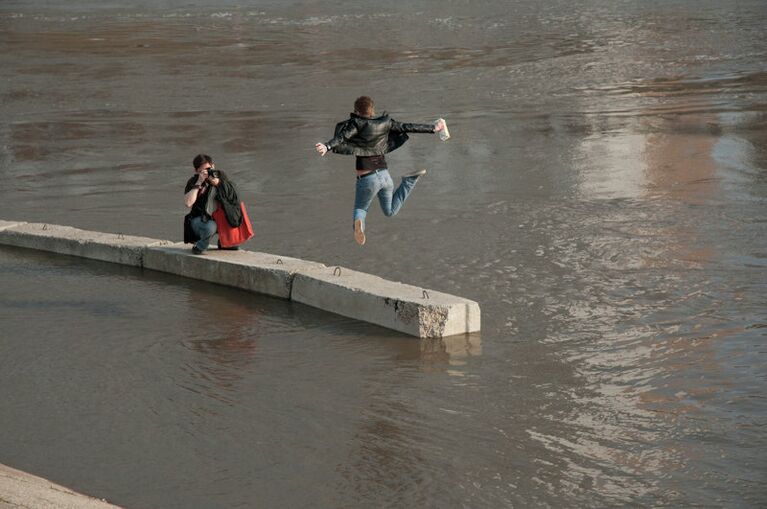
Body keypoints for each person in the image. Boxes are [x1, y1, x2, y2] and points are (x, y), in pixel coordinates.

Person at [315, 96, 447, 245]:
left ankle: (360, 227)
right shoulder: (385, 123)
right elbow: (407, 126)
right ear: (372, 111)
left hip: (367, 179)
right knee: (390, 211)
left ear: (357, 111)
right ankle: (409, 181)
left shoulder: (356, 124)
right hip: (385, 177)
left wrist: (327, 146)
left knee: (361, 209)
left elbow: (342, 136)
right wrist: (434, 128)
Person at [183, 154, 246, 254]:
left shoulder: (220, 176)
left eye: (208, 169)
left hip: (218, 217)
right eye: (201, 171)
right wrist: (199, 182)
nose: (206, 173)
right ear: (196, 171)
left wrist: (218, 183)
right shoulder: (193, 181)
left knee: (234, 214)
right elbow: (188, 203)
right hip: (199, 220)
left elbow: (233, 194)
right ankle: (200, 246)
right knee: (210, 226)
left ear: (213, 166)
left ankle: (225, 243)